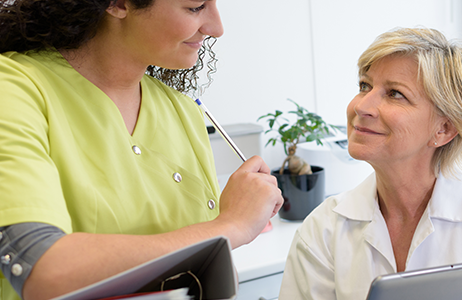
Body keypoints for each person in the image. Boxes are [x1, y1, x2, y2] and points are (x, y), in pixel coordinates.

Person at [0, 1, 283, 299]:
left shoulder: (183, 111)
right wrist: (232, 225)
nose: (216, 28)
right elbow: (44, 271)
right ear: (118, 3)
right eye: (196, 7)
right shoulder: (14, 89)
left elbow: (207, 278)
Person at [279, 27, 462, 300]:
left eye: (395, 94)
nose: (362, 106)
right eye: (364, 86)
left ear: (444, 129)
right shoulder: (323, 231)